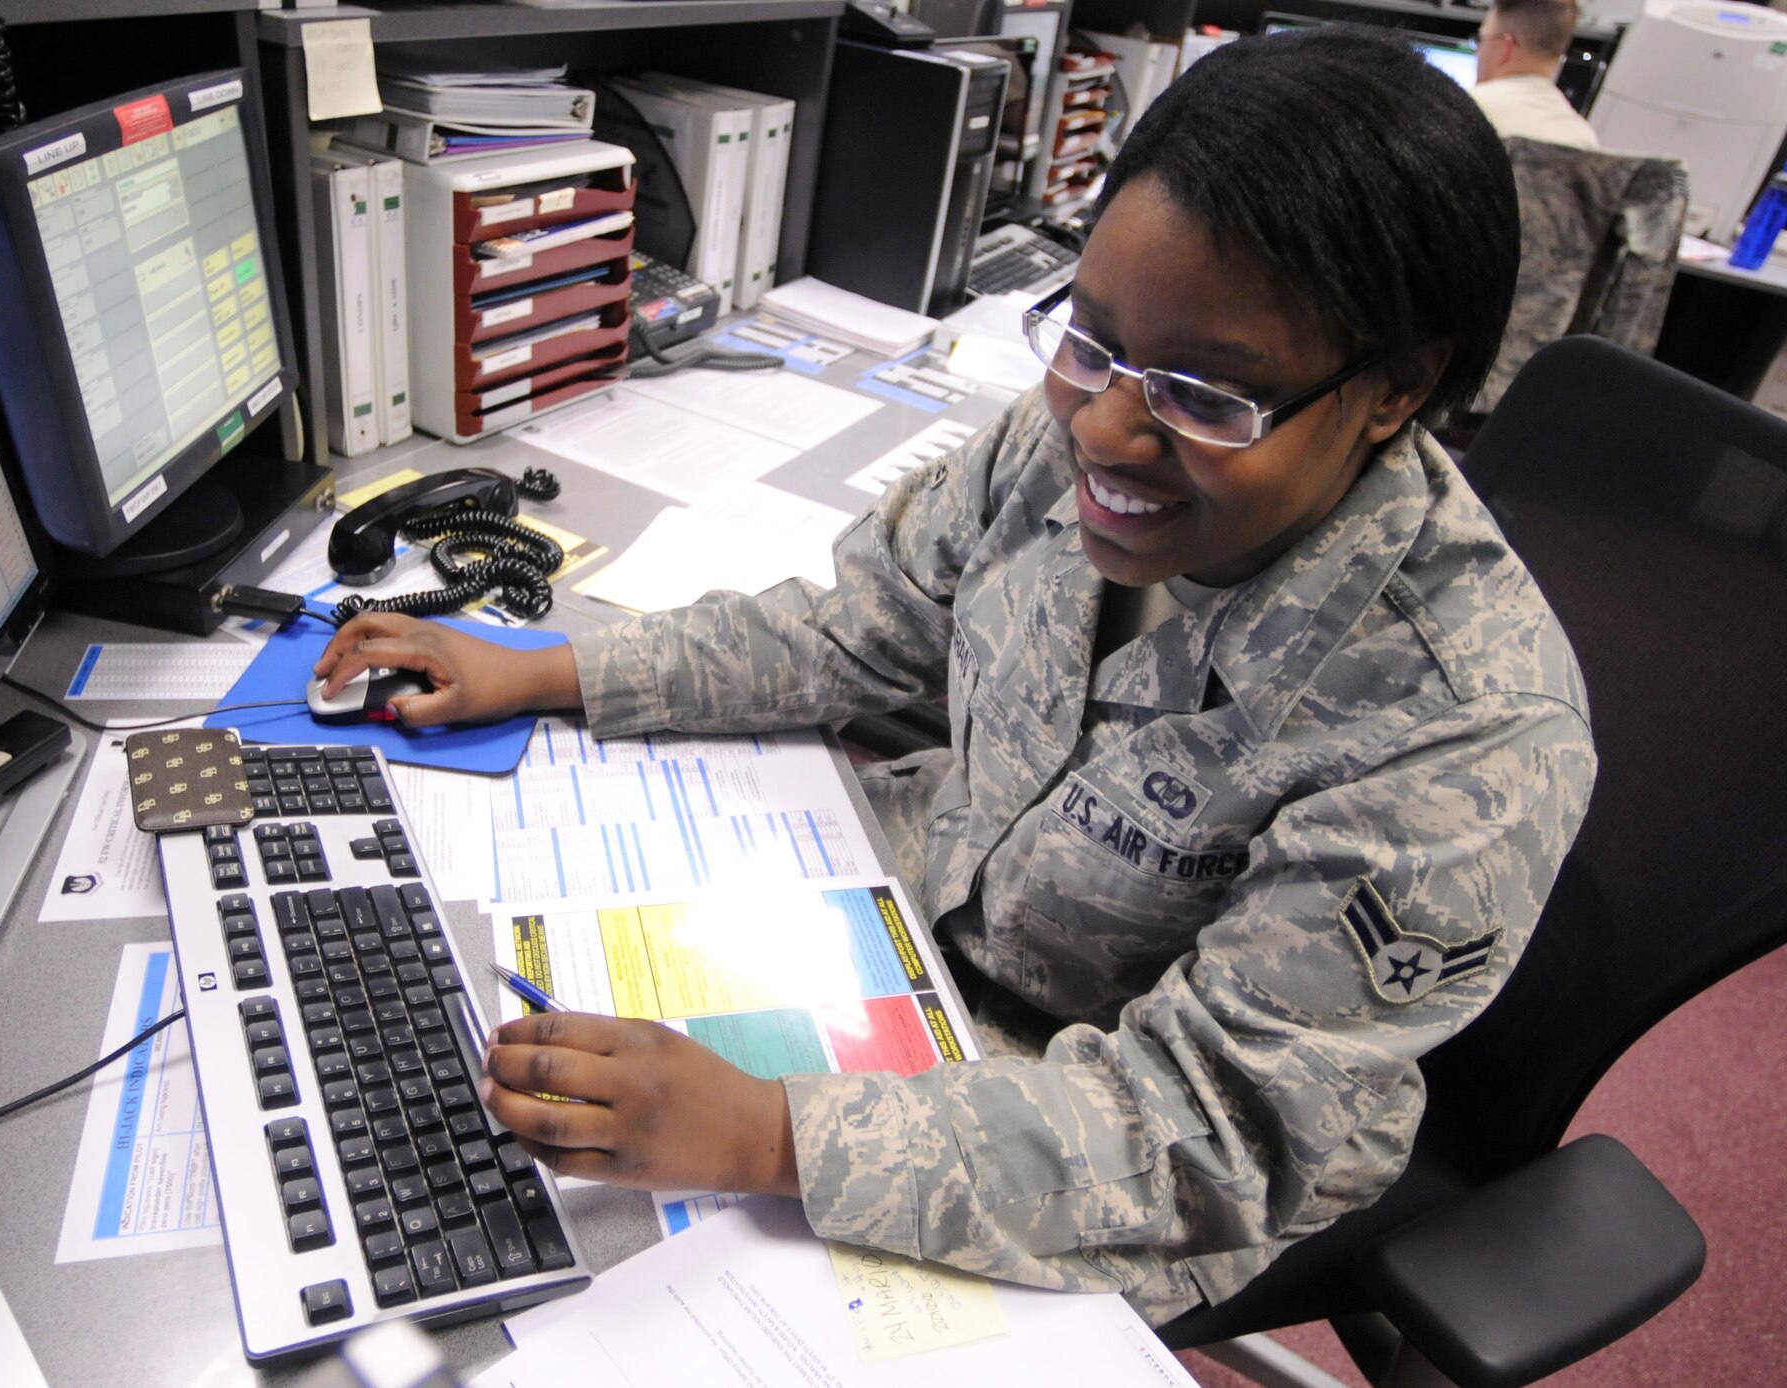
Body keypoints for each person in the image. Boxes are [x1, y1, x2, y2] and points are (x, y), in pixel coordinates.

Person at [314, 27, 1595, 1325]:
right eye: (1087, 342)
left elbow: (1201, 1132)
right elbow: (854, 630)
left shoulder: (1465, 728)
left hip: (1103, 1131)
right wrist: (554, 666)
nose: (1103, 429)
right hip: (896, 920)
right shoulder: (1079, 423)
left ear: (1395, 389)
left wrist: (769, 1138)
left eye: (1204, 395)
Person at [1471, 0, 1600, 149]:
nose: (1478, 51)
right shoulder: (1582, 137)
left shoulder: (1465, 108)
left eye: (1481, 40)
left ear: (1505, 47)